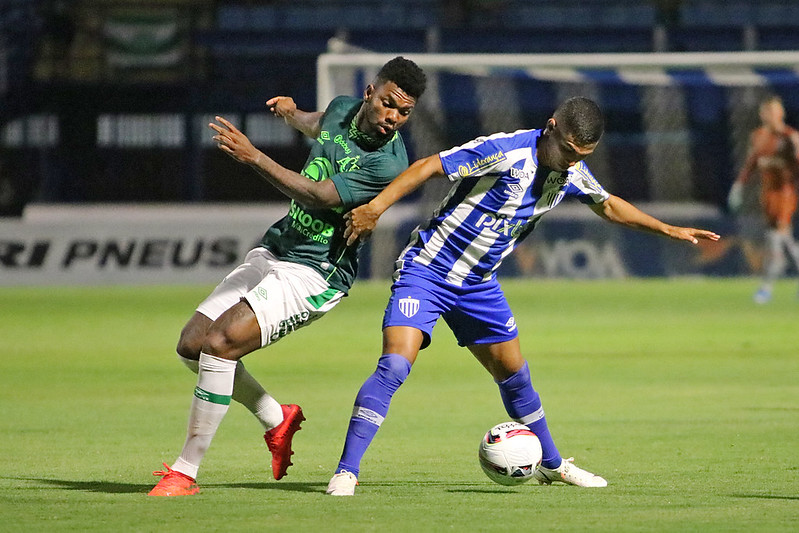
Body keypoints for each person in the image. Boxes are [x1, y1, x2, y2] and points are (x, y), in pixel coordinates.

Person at [326, 97, 720, 496]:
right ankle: (346, 471)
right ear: (550, 127)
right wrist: (374, 209)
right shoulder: (504, 151)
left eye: (581, 155)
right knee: (395, 365)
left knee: (515, 377)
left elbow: (608, 205)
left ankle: (551, 465)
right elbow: (428, 166)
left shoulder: (571, 172)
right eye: (567, 150)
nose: (570, 161)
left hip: (478, 284)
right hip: (428, 271)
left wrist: (669, 230)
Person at [148, 57, 426, 496]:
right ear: (370, 92)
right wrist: (290, 112)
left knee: (220, 346)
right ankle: (278, 419)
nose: (393, 118)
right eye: (389, 104)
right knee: (191, 347)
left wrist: (253, 155)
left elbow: (317, 196)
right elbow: (318, 123)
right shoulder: (342, 108)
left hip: (316, 273)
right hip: (279, 246)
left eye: (404, 112)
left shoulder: (387, 164)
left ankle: (184, 472)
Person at [728, 95, 799, 304]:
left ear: (781, 113)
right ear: (762, 114)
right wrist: (739, 185)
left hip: (784, 193)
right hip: (766, 194)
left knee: (776, 239)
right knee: (783, 240)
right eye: (766, 112)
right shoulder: (758, 135)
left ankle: (766, 289)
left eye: (774, 112)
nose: (770, 116)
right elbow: (752, 162)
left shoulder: (790, 137)